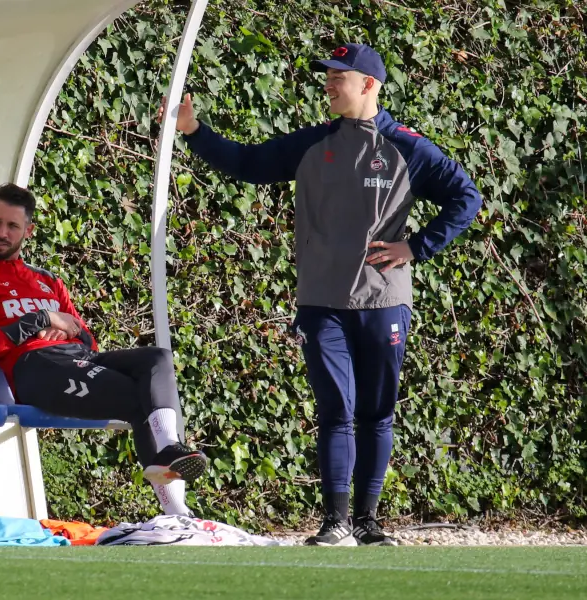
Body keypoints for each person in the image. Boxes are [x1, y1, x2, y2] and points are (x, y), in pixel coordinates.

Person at [159, 43, 483, 545]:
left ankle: (369, 523)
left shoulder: (407, 147)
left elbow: (467, 197)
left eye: (339, 76)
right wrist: (194, 133)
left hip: (383, 302)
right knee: (335, 408)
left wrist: (416, 246)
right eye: (327, 76)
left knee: (377, 412)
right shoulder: (313, 144)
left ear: (369, 85)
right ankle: (335, 523)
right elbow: (248, 163)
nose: (329, 84)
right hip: (321, 301)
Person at [0, 183, 208, 516]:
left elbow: (85, 337)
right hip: (36, 369)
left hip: (78, 359)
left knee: (157, 359)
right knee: (139, 398)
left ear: (28, 230)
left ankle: (169, 451)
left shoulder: (47, 280)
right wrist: (41, 318)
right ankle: (176, 512)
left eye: (12, 226)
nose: (2, 232)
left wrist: (63, 330)